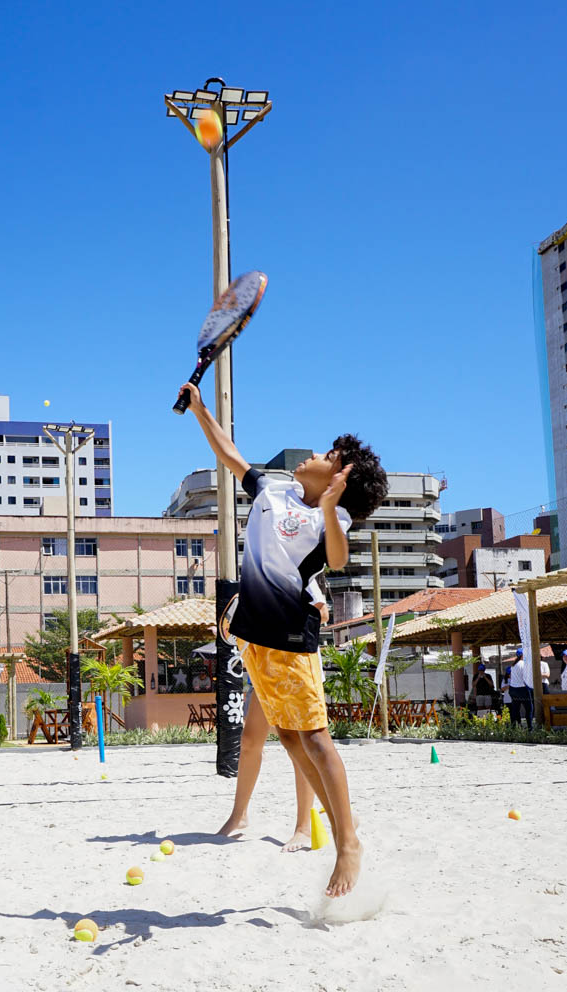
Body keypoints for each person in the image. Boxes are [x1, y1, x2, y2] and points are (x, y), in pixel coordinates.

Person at [181, 381, 388, 897]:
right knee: (291, 740)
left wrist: (333, 506)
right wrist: (201, 410)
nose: (311, 454)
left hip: (292, 634)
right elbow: (230, 454)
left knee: (315, 739)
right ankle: (346, 825)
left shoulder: (332, 516)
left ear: (339, 476)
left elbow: (336, 561)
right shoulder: (272, 490)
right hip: (254, 637)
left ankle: (347, 844)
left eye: (325, 455)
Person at [218, 593, 329, 853]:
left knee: (299, 748)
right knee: (249, 742)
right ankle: (239, 816)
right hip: (267, 668)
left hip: (298, 668)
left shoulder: (300, 569)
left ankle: (303, 827)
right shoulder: (264, 574)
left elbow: (322, 614)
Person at [509, 648, 533, 729]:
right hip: (522, 688)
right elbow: (526, 677)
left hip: (513, 689)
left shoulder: (513, 665)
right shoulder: (524, 664)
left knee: (515, 710)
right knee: (529, 709)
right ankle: (530, 728)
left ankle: (512, 727)